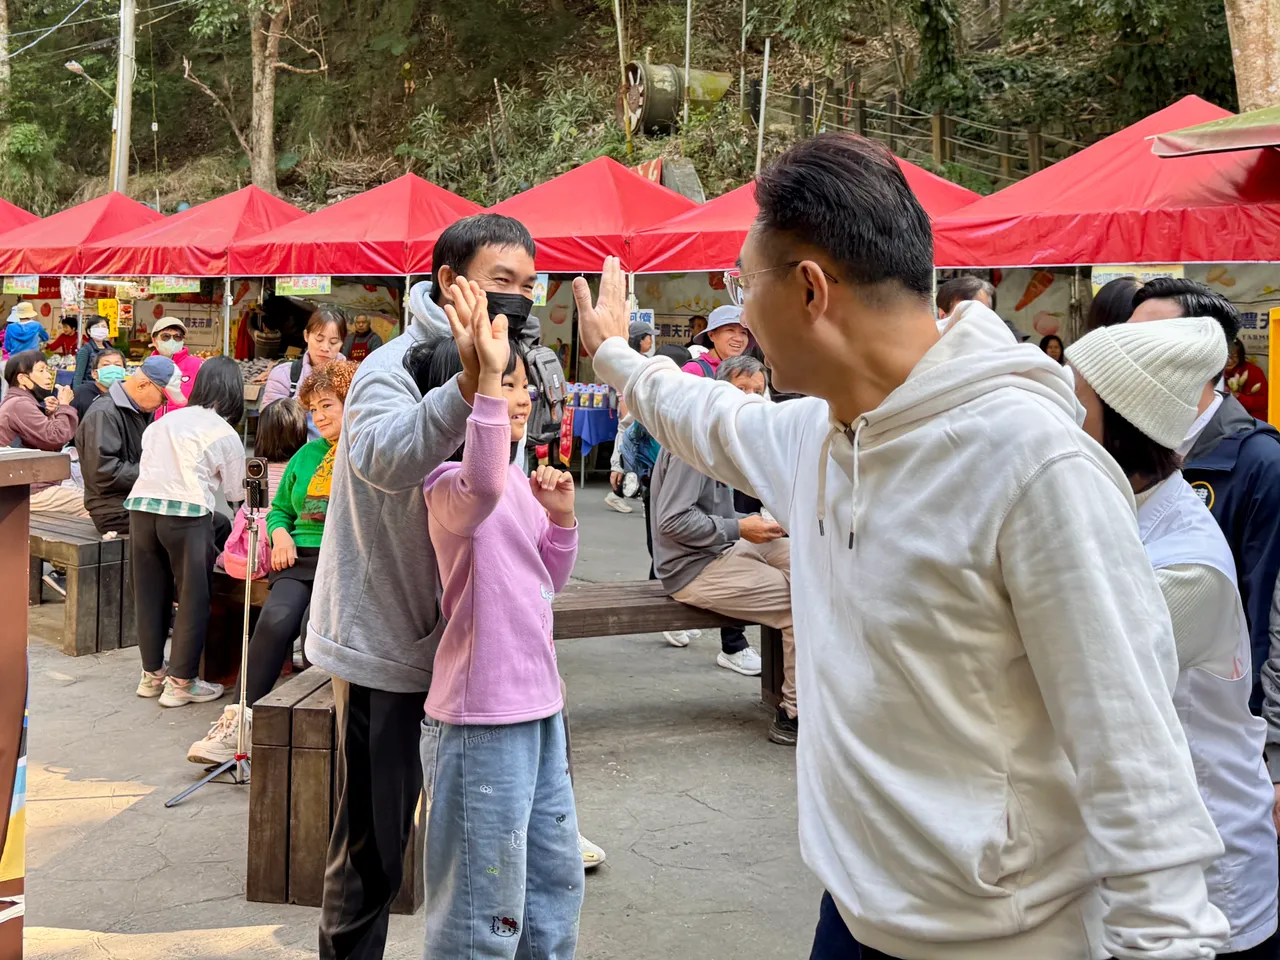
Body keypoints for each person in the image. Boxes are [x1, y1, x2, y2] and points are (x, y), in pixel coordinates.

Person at [576, 133, 1228, 959]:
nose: (742, 315)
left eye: (744, 286)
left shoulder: (1034, 464)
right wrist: (615, 357)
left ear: (810, 289)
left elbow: (1134, 753)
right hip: (850, 915)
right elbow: (708, 418)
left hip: (1002, 941)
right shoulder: (819, 435)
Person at [305, 213, 528, 960]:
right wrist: (468, 385)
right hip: (389, 644)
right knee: (374, 846)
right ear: (450, 282)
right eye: (502, 282)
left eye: (529, 286)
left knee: (473, 834)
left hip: (474, 653)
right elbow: (379, 455)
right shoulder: (392, 365)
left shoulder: (505, 361)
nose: (518, 299)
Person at [1068, 316, 1279, 958]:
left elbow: (1066, 676)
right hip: (1138, 858)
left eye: (1074, 404)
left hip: (1208, 874)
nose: (1057, 420)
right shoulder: (1115, 510)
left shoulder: (1186, 567)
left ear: (1121, 431)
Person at [415, 297, 582, 959]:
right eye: (501, 382)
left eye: (518, 383)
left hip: (540, 707)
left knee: (553, 880)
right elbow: (479, 484)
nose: (519, 396)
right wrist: (482, 376)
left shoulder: (518, 481)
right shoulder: (448, 484)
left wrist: (562, 520)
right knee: (483, 905)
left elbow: (547, 582)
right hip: (480, 717)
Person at [188, 365, 355, 765]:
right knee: (274, 622)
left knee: (313, 633)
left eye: (328, 405)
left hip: (344, 562)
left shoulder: (364, 452)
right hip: (297, 557)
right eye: (314, 409)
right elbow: (279, 509)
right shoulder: (305, 455)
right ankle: (239, 724)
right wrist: (280, 535)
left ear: (353, 404)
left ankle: (320, 738)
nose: (320, 416)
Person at [1130, 277, 1280, 715]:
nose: (1127, 356)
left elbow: (1268, 614)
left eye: (1148, 342)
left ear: (1207, 357)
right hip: (1149, 705)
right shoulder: (1125, 451)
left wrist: (1266, 735)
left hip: (1225, 719)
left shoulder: (1260, 463)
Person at [651, 354, 798, 745]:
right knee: (801, 603)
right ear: (717, 392)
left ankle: (821, 686)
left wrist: (756, 524)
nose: (748, 398)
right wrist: (740, 527)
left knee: (812, 564)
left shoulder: (720, 438)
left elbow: (713, 514)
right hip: (692, 568)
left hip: (723, 547)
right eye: (740, 389)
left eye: (756, 391)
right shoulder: (693, 444)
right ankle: (793, 713)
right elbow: (672, 522)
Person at [127, 357, 245, 709]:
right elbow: (237, 494)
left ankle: (152, 675)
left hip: (141, 510)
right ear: (234, 392)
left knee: (150, 595)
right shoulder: (224, 432)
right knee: (193, 597)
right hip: (187, 514)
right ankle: (181, 683)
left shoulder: (163, 422)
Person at [75, 357, 181, 535]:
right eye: (163, 398)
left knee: (209, 519)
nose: (163, 404)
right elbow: (103, 473)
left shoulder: (139, 409)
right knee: (196, 524)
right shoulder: (104, 413)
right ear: (143, 385)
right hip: (113, 511)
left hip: (136, 500)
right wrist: (158, 471)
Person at [0, 351, 85, 516]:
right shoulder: (20, 404)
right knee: (94, 506)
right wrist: (65, 405)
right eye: (41, 370)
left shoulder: (18, 402)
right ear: (23, 378)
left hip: (23, 486)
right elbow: (56, 437)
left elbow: (43, 439)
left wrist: (51, 414)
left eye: (48, 370)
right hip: (26, 491)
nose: (48, 376)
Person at [263, 306, 346, 438]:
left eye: (334, 342)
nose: (325, 347)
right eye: (319, 339)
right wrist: (298, 405)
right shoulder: (282, 375)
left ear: (342, 343)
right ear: (306, 335)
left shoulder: (353, 378)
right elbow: (268, 425)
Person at [150, 318, 205, 419]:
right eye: (166, 336)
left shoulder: (198, 366)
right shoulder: (147, 369)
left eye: (177, 337)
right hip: (153, 426)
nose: (172, 341)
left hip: (187, 426)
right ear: (154, 340)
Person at [682, 305, 749, 377]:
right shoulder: (693, 371)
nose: (739, 339)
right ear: (711, 335)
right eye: (730, 330)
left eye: (743, 332)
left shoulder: (748, 370)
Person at [71, 348, 126, 420]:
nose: (112, 369)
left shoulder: (128, 395)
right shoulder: (81, 394)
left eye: (117, 365)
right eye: (106, 364)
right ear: (94, 373)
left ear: (124, 372)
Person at [1226, 338, 1269, 420]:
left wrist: (1238, 396)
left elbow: (1264, 403)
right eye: (1226, 356)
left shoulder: (1253, 371)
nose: (1229, 361)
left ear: (1240, 356)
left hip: (1251, 420)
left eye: (1234, 356)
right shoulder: (1214, 372)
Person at [72, 317, 113, 388]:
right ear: (89, 331)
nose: (100, 329)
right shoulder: (85, 350)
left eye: (104, 327)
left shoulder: (110, 349)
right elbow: (78, 375)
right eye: (97, 327)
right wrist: (76, 392)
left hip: (107, 388)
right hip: (90, 388)